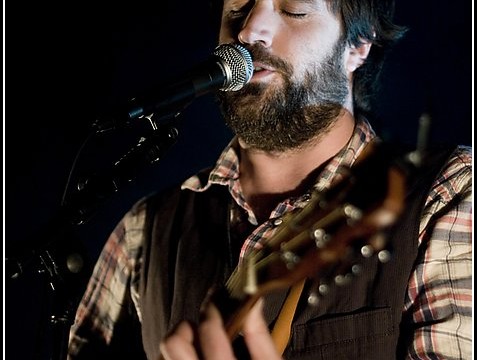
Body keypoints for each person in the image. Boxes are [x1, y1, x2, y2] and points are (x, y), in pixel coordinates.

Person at [67, 0, 472, 359]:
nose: (248, 31)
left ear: (358, 44)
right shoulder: (144, 231)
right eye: (237, 9)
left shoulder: (449, 192)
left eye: (293, 9)